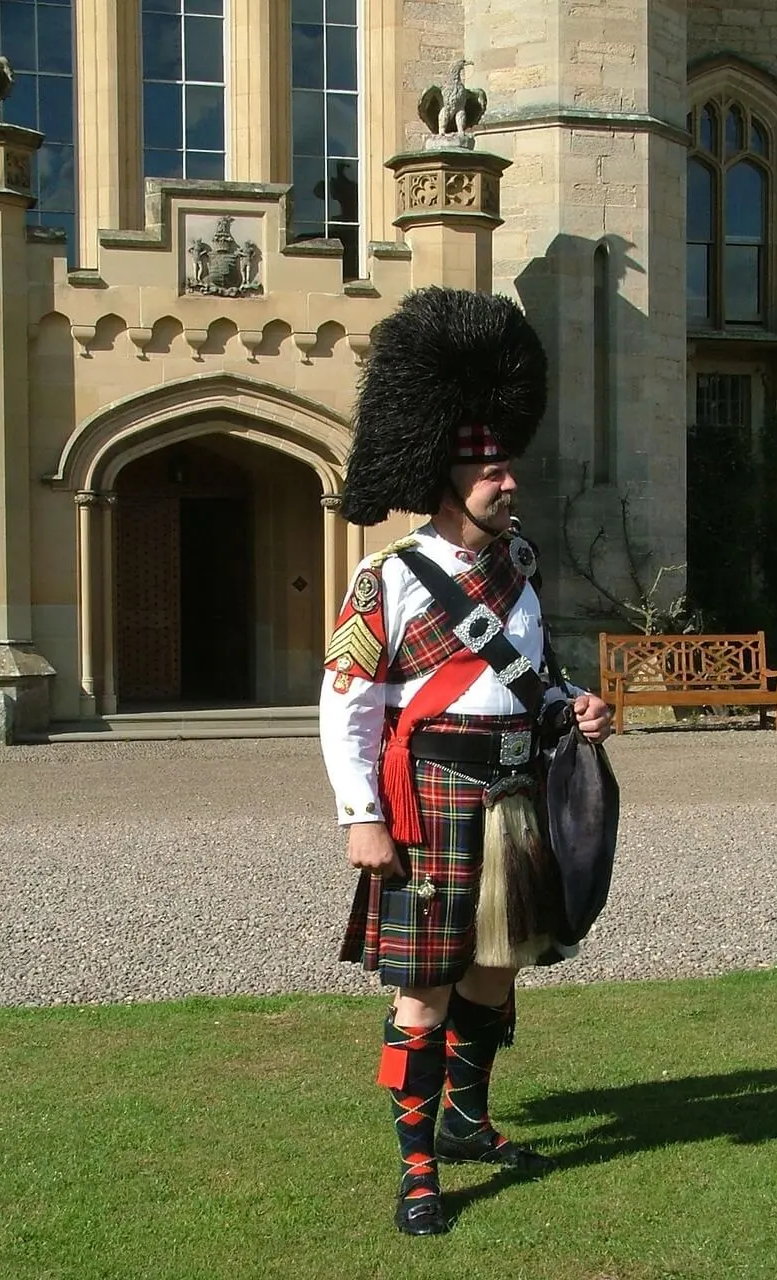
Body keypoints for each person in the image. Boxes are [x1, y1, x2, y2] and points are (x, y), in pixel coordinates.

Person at [319, 287, 612, 1237]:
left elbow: (533, 676)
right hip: (430, 795)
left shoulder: (522, 566)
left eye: (507, 464)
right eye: (489, 468)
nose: (508, 480)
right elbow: (347, 702)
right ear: (443, 474)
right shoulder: (387, 577)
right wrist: (358, 815)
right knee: (426, 988)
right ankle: (415, 1172)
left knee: (498, 971)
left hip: (516, 789)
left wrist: (574, 704)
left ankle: (466, 1124)